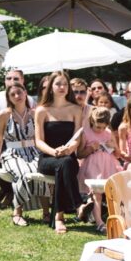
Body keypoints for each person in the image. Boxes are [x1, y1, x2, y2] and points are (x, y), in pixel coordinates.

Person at [0, 81, 49, 227]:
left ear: (25, 93)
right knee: (22, 173)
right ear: (9, 98)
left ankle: (46, 212)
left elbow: (40, 138)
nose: (17, 96)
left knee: (40, 172)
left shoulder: (35, 113)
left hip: (33, 151)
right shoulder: (3, 115)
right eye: (13, 94)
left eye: (19, 92)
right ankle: (17, 212)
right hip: (12, 153)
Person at [34, 70, 86, 234]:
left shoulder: (76, 110)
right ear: (50, 87)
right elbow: (38, 141)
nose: (62, 87)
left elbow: (77, 137)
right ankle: (78, 205)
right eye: (58, 84)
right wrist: (54, 151)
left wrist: (69, 149)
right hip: (47, 158)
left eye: (65, 84)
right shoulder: (42, 110)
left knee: (66, 164)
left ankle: (59, 216)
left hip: (69, 158)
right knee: (64, 164)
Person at [0, 68, 33, 208]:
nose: (12, 81)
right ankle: (7, 190)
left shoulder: (30, 100)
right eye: (8, 78)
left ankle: (11, 192)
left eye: (16, 79)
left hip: (25, 143)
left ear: (23, 81)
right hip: (1, 141)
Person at [77, 106, 122, 232]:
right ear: (92, 121)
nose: (101, 130)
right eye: (98, 127)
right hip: (93, 165)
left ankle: (116, 217)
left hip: (109, 165)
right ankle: (99, 222)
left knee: (113, 191)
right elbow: (80, 154)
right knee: (96, 192)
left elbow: (118, 154)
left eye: (103, 127)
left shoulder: (108, 133)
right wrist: (91, 148)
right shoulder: (86, 132)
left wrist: (113, 146)